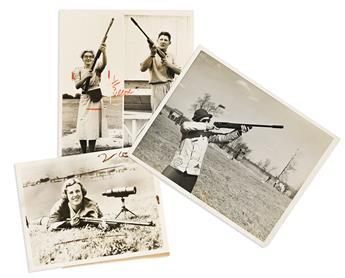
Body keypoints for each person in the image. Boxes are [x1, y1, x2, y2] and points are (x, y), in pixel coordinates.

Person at [162, 108, 251, 193]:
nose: (207, 122)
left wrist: (239, 131)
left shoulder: (208, 135)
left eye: (208, 121)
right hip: (176, 168)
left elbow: (224, 138)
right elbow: (185, 125)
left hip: (192, 174)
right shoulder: (187, 129)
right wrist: (207, 126)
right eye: (204, 121)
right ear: (197, 121)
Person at [74, 44, 108, 153]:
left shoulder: (97, 68)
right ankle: (83, 152)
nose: (88, 58)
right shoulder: (78, 70)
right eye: (86, 56)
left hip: (95, 98)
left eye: (90, 56)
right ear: (82, 58)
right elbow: (77, 85)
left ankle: (91, 151)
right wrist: (85, 77)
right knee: (82, 125)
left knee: (93, 126)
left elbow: (104, 64)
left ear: (94, 58)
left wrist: (103, 52)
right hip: (84, 98)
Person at [140, 32, 181, 112]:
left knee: (168, 112)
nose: (163, 41)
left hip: (169, 86)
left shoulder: (171, 56)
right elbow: (142, 69)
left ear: (169, 43)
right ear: (157, 41)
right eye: (161, 39)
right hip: (157, 87)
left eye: (166, 40)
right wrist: (152, 54)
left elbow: (180, 71)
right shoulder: (152, 54)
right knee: (158, 112)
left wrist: (168, 64)